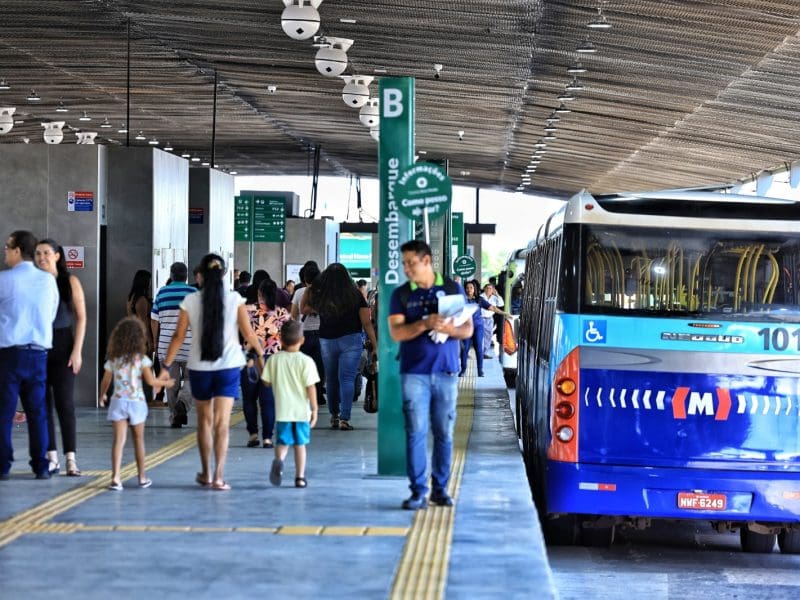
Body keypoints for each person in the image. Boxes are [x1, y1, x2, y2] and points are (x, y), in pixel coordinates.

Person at [159, 253, 263, 491]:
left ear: (200, 276)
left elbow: (177, 337)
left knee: (204, 423)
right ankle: (218, 476)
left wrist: (165, 366)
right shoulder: (235, 299)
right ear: (224, 274)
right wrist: (261, 362)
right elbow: (249, 335)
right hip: (228, 368)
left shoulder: (191, 301)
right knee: (222, 424)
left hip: (200, 368)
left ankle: (206, 472)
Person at [388, 240, 473, 510]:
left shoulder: (451, 288)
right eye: (404, 263)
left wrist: (447, 328)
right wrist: (425, 323)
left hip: (447, 372)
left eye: (410, 262)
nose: (406, 268)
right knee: (415, 431)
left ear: (426, 261)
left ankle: (440, 489)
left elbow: (468, 329)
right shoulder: (401, 295)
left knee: (444, 433)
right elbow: (397, 333)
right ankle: (417, 491)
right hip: (414, 373)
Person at [0, 230, 59, 480]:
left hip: (9, 355)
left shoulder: (5, 280)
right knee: (38, 412)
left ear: (16, 250)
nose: (4, 252)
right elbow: (51, 314)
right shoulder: (48, 281)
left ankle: (3, 465)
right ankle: (41, 466)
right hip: (38, 354)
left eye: (7, 247)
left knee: (4, 412)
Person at [99, 317, 174, 491]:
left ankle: (116, 478)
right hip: (136, 403)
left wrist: (102, 395)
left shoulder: (114, 360)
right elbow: (150, 381)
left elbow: (106, 381)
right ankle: (141, 477)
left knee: (118, 441)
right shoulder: (142, 360)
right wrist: (166, 384)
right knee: (139, 441)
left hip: (118, 401)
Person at [301, 263, 377, 431]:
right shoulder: (355, 294)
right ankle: (345, 418)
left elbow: (303, 309)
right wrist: (375, 345)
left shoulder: (322, 296)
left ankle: (334, 416)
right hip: (351, 340)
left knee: (332, 379)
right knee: (347, 379)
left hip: (327, 340)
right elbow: (366, 323)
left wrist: (310, 290)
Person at [35, 239, 87, 476]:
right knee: (41, 404)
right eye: (37, 253)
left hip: (63, 344)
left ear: (57, 256)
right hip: (37, 346)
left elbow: (81, 317)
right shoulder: (34, 282)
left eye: (46, 252)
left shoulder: (69, 281)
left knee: (65, 404)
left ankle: (70, 459)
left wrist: (77, 351)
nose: (41, 257)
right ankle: (51, 456)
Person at [262, 320, 319, 488]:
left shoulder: (274, 360)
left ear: (280, 339)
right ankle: (299, 477)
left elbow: (266, 382)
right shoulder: (306, 361)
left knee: (282, 443)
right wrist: (314, 409)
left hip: (283, 412)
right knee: (300, 445)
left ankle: (279, 460)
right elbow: (311, 388)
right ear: (302, 340)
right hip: (301, 412)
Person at [242, 278, 290, 448]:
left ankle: (253, 435)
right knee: (268, 401)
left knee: (249, 399)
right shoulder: (283, 314)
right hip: (274, 360)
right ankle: (268, 438)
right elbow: (287, 339)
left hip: (251, 359)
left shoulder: (247, 312)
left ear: (259, 293)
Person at [151, 262, 196, 428]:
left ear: (171, 275)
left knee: (171, 382)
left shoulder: (162, 292)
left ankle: (175, 416)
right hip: (190, 345)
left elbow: (154, 320)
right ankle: (182, 404)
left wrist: (155, 342)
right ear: (186, 277)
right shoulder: (193, 292)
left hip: (166, 345)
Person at [291, 263, 325, 405]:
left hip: (303, 333)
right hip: (321, 333)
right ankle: (318, 394)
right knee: (319, 366)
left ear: (304, 278)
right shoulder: (324, 292)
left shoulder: (299, 292)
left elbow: (293, 315)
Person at [460, 280, 488, 378]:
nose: (469, 290)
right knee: (465, 349)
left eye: (471, 288)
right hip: (465, 327)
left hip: (478, 326)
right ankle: (463, 370)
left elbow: (491, 307)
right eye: (467, 288)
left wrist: (503, 313)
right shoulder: (461, 300)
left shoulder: (479, 300)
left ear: (474, 289)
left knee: (478, 348)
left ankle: (480, 370)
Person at [126, 269, 154, 354]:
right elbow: (143, 322)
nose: (150, 284)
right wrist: (150, 341)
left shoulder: (130, 297)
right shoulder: (141, 299)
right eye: (149, 281)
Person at [480, 283, 505, 358]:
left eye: (490, 289)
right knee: (480, 336)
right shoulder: (481, 297)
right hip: (481, 318)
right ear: (484, 289)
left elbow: (501, 304)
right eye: (487, 288)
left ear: (493, 290)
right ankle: (479, 352)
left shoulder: (494, 297)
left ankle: (485, 353)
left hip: (490, 319)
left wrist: (497, 294)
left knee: (488, 336)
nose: (488, 290)